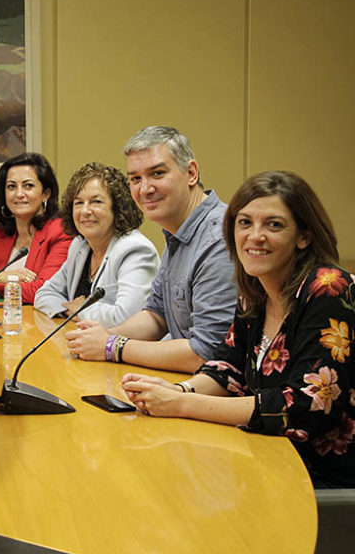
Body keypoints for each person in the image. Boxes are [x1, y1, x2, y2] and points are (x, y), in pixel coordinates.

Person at [122, 171, 355, 488]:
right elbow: (227, 368)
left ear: (304, 236)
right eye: (245, 223)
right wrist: (174, 391)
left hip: (325, 483)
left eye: (273, 225)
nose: (255, 236)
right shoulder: (255, 289)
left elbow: (308, 408)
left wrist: (182, 405)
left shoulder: (328, 288)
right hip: (267, 460)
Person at [65, 126, 237, 373]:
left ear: (191, 173)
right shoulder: (179, 233)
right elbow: (157, 317)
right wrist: (99, 338)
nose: (144, 189)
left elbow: (207, 354)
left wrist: (112, 345)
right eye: (135, 179)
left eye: (157, 174)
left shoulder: (219, 238)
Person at [34, 162, 159, 327]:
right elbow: (44, 293)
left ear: (117, 208)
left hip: (123, 349)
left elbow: (128, 317)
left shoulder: (135, 249)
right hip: (81, 342)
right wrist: (70, 310)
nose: (85, 211)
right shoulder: (80, 246)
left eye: (96, 202)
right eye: (78, 203)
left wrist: (81, 310)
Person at [0, 152, 72, 303]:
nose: (19, 194)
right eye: (11, 186)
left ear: (45, 194)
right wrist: (0, 277)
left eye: (28, 186)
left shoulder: (60, 232)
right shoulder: (0, 233)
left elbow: (41, 291)